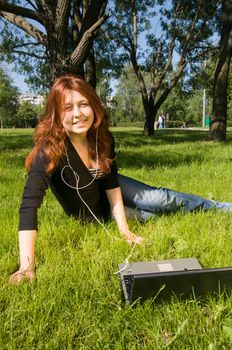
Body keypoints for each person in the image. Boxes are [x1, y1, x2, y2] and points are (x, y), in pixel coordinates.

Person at [10, 74, 232, 284]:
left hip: (112, 189)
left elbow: (111, 183)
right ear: (57, 114)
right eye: (68, 108)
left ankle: (219, 207)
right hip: (97, 214)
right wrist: (26, 266)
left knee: (160, 200)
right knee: (149, 216)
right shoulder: (48, 151)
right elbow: (30, 205)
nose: (77, 113)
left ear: (94, 106)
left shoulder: (102, 137)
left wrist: (124, 230)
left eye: (83, 104)